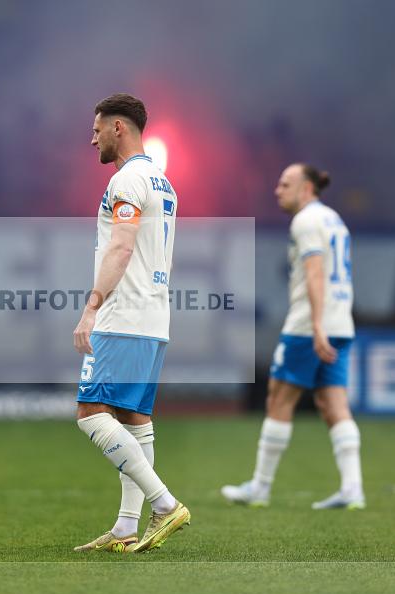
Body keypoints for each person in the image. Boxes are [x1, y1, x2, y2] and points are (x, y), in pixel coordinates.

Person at [72, 93, 190, 554]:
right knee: (135, 420)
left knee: (91, 414)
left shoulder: (128, 181)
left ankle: (163, 505)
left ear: (119, 127)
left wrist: (92, 305)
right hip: (154, 317)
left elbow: (121, 247)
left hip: (123, 315)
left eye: (97, 127)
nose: (92, 137)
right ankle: (125, 530)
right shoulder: (162, 181)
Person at [221, 164, 364, 510]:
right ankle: (352, 488)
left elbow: (315, 273)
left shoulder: (305, 221)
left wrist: (315, 325)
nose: (277, 190)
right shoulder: (334, 219)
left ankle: (260, 487)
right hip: (341, 322)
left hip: (308, 325)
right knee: (334, 404)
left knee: (278, 399)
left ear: (306, 189)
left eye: (285, 184)